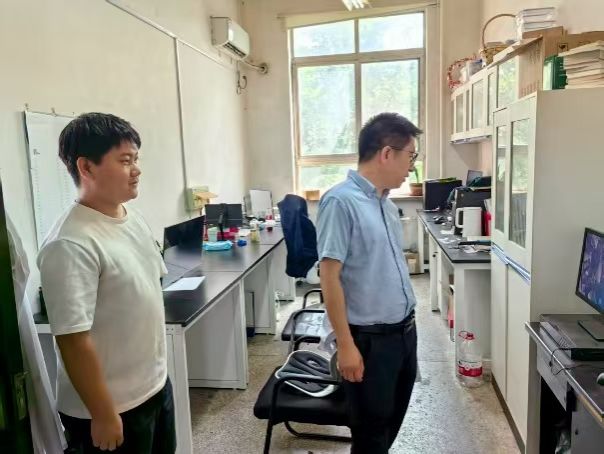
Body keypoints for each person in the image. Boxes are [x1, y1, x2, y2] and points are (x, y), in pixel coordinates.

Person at [37, 113, 176, 453]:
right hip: (110, 408)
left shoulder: (131, 217)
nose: (136, 170)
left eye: (136, 159)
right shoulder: (70, 243)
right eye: (125, 161)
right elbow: (73, 340)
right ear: (86, 167)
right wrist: (102, 414)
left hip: (154, 386)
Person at [317, 112, 422, 453]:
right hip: (370, 342)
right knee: (370, 435)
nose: (412, 167)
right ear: (387, 153)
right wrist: (346, 345)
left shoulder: (386, 205)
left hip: (404, 333)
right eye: (411, 156)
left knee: (389, 427)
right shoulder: (340, 202)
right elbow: (329, 277)